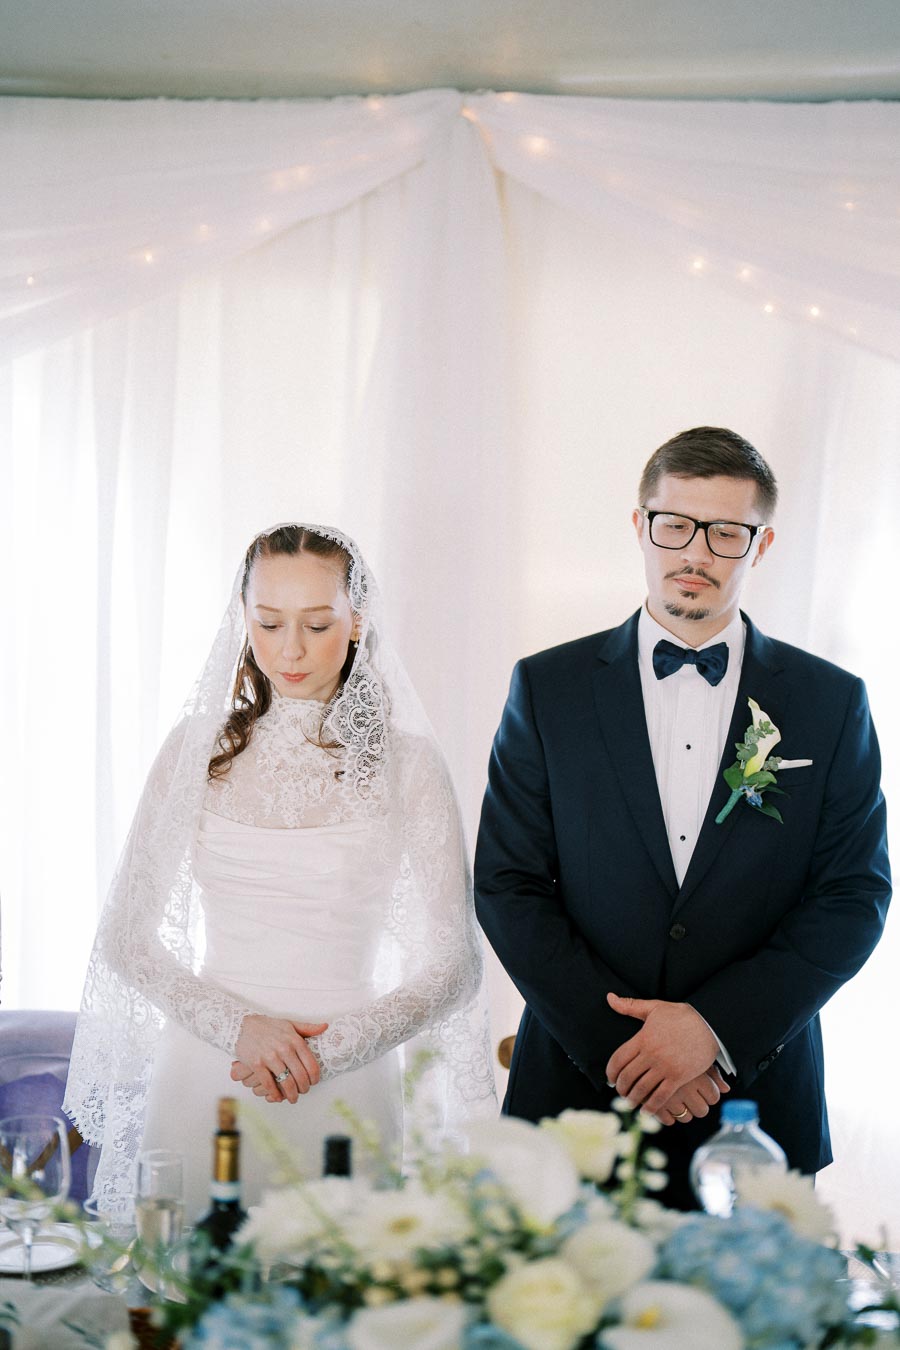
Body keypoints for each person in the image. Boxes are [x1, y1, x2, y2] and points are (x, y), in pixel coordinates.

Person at [474, 427, 891, 1208]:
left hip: (757, 1110)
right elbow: (508, 882)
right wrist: (627, 1053)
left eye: (726, 533)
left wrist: (714, 1031)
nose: (695, 553)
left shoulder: (831, 703)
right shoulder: (547, 687)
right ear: (641, 526)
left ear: (759, 546)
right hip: (574, 1101)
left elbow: (853, 896)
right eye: (675, 524)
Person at [65, 524, 494, 1217]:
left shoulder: (408, 764)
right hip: (207, 1075)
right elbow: (126, 937)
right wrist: (243, 1029)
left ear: (356, 623)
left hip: (350, 1084)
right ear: (245, 620)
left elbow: (454, 964)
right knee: (193, 1306)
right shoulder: (194, 752)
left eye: (317, 624)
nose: (289, 649)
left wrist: (328, 1052)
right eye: (268, 622)